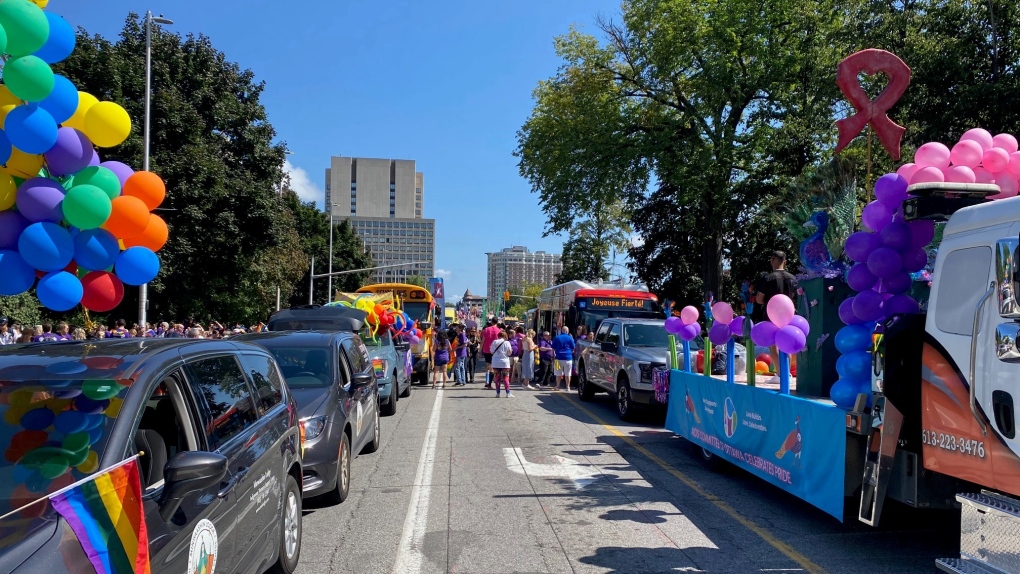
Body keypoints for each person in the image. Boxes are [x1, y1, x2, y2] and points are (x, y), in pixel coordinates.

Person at [755, 250, 801, 368]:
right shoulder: (793, 278)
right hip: (789, 314)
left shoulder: (768, 278)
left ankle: (779, 374)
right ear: (785, 262)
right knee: (786, 343)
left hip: (772, 315)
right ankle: (787, 373)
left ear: (772, 260)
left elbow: (759, 299)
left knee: (773, 344)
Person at [489, 330, 514, 398]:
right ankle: (508, 393)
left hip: (496, 362)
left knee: (497, 378)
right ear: (505, 336)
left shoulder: (494, 342)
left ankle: (498, 393)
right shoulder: (507, 343)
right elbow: (509, 353)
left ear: (498, 336)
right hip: (504, 362)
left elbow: (491, 352)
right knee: (506, 377)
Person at [551, 326, 576, 392]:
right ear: (567, 331)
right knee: (568, 374)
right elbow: (573, 348)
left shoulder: (557, 337)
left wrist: (552, 357)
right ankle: (568, 387)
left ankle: (558, 386)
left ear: (562, 331)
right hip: (568, 358)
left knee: (558, 373)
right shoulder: (570, 338)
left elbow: (553, 349)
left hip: (558, 358)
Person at [481, 318, 500, 388]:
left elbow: (483, 341)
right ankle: (489, 384)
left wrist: (480, 350)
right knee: (492, 367)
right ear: (497, 322)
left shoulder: (486, 329)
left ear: (491, 322)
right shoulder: (499, 331)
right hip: (495, 351)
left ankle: (487, 381)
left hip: (486, 349)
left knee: (487, 366)